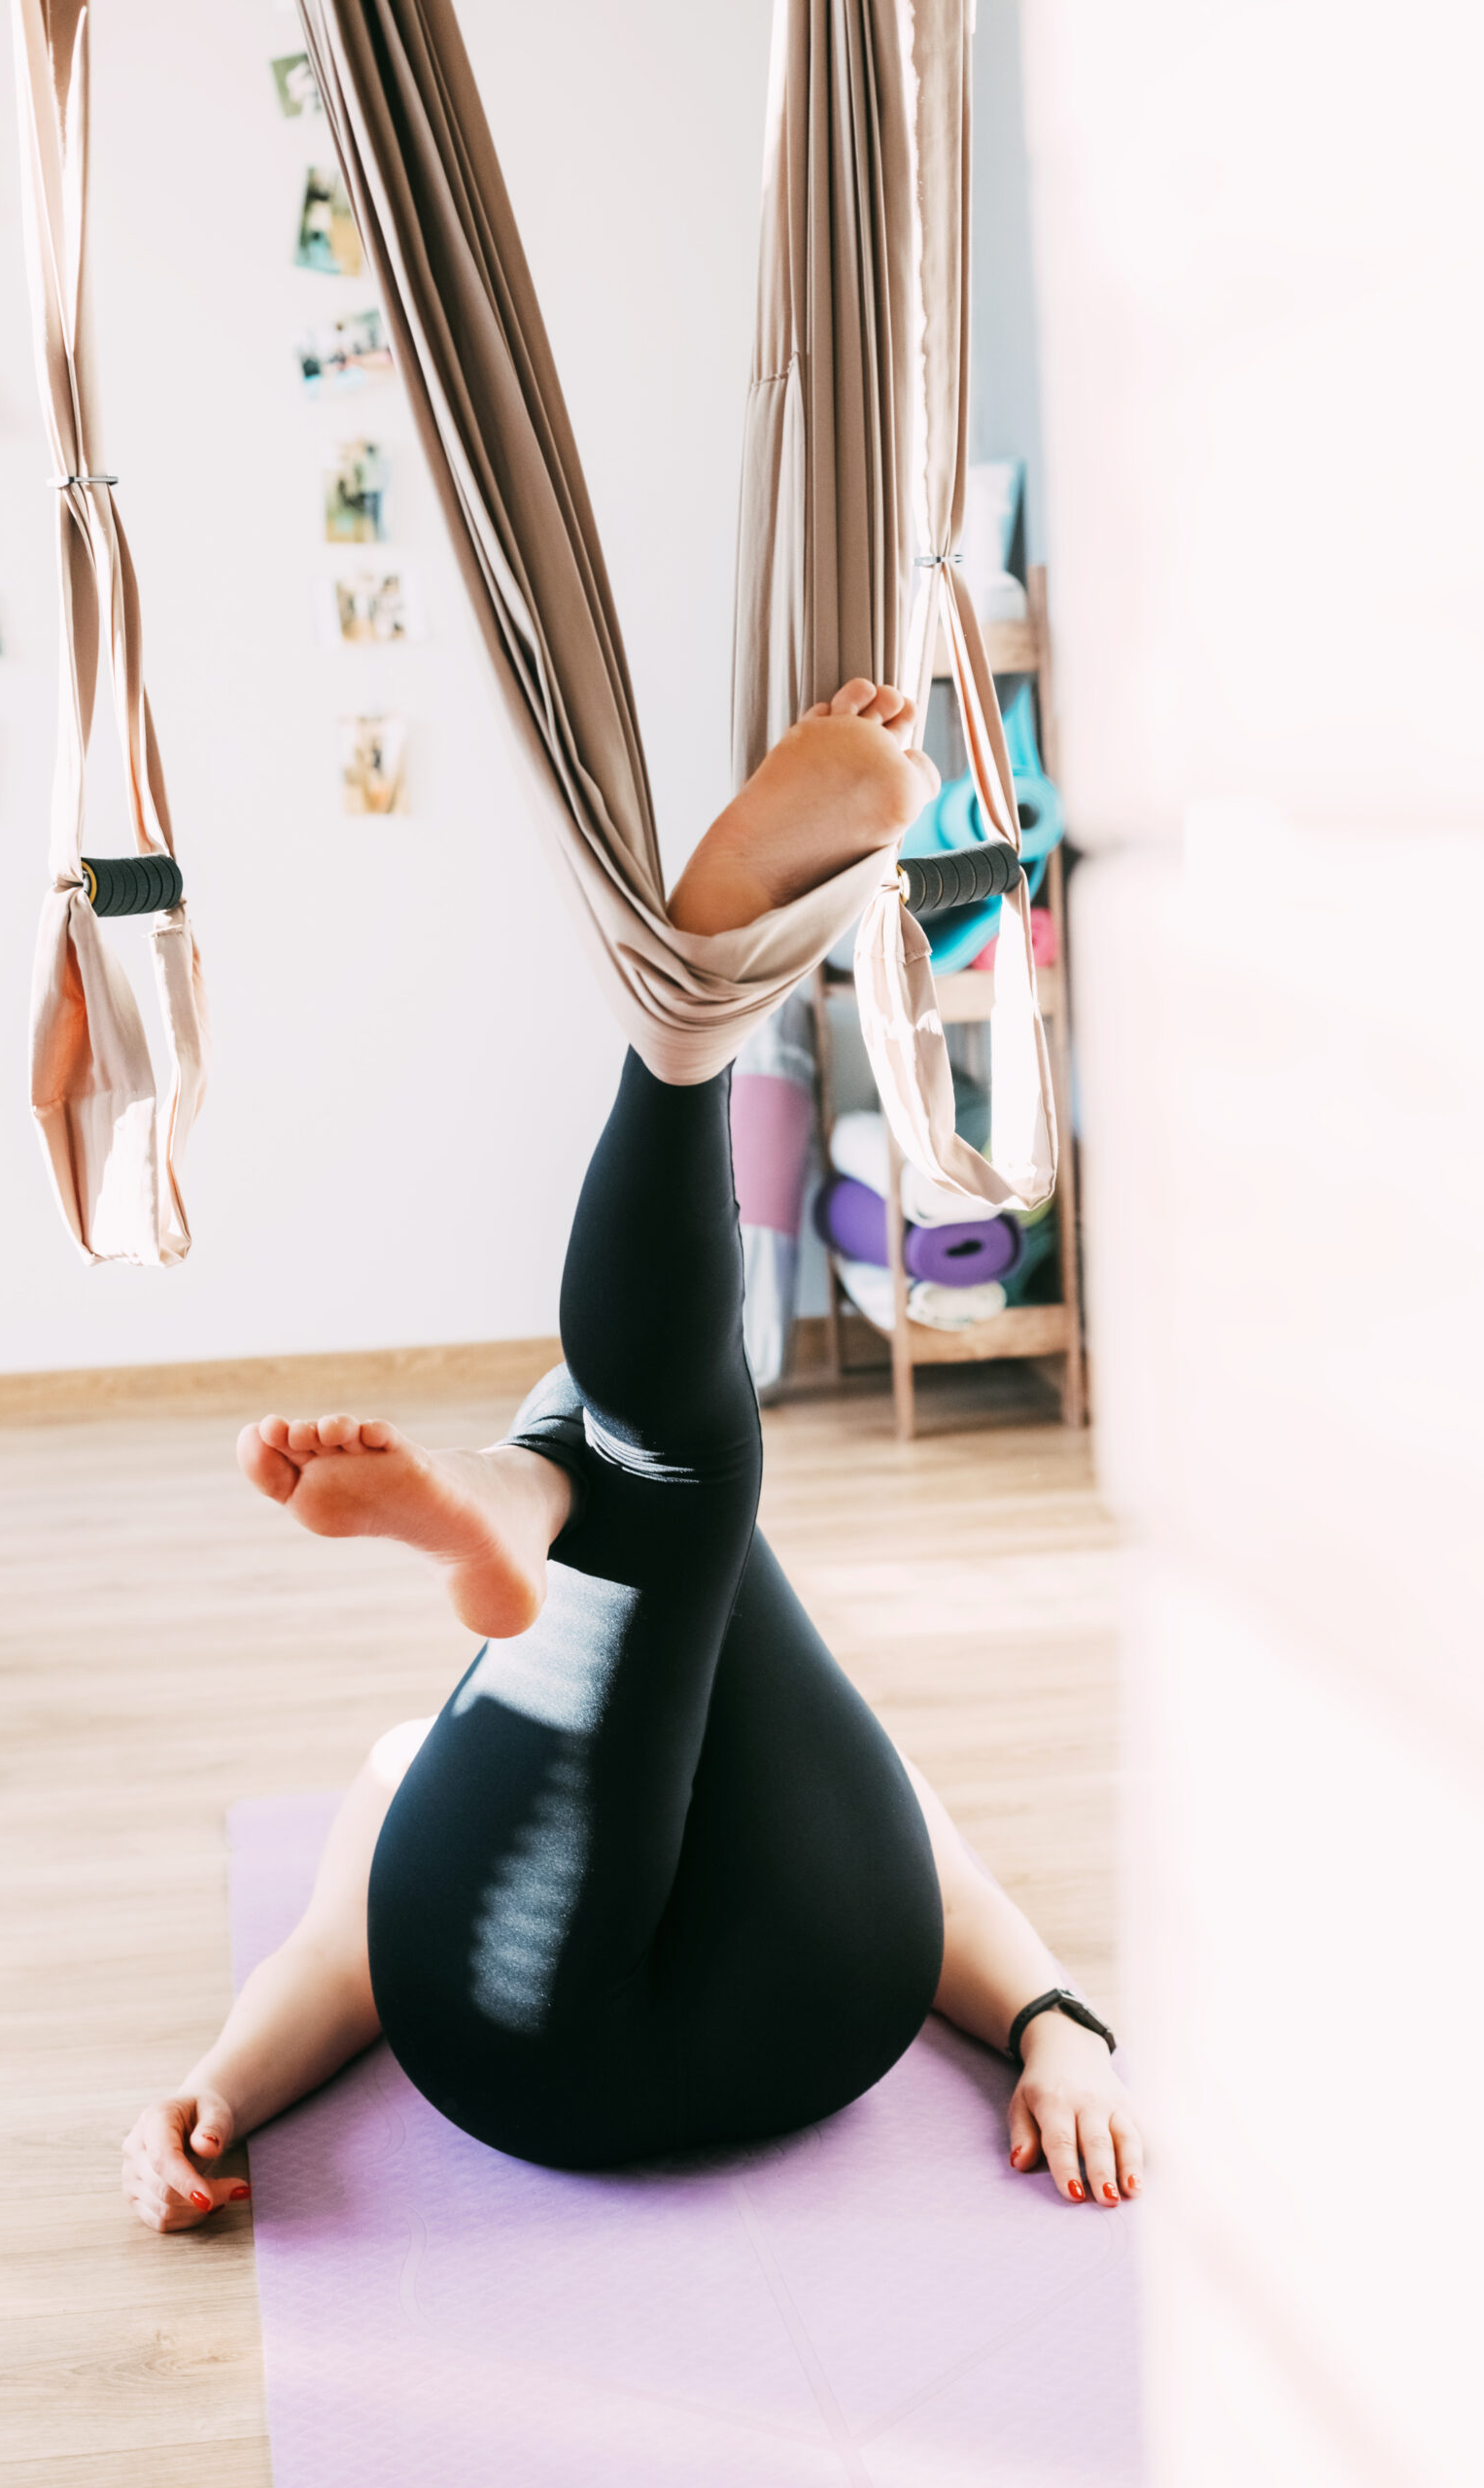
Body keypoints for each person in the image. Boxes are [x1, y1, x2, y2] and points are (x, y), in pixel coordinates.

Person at [121, 679, 1143, 2230]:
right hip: (826, 1997)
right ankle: (544, 1457)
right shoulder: (454, 1752)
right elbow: (929, 1853)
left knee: (676, 1485)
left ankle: (536, 1480)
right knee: (690, 1486)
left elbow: (341, 1961)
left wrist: (226, 2082)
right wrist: (1055, 2020)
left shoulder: (416, 1769)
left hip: (528, 2026)